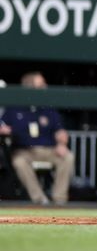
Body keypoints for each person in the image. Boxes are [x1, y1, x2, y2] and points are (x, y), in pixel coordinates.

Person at [0, 72, 74, 205]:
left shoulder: (48, 108)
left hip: (49, 150)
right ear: (30, 88)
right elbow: (3, 125)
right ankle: (40, 200)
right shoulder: (14, 108)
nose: (45, 87)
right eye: (41, 84)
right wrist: (4, 130)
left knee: (68, 157)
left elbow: (60, 132)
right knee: (19, 162)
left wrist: (61, 144)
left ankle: (59, 200)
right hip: (24, 151)